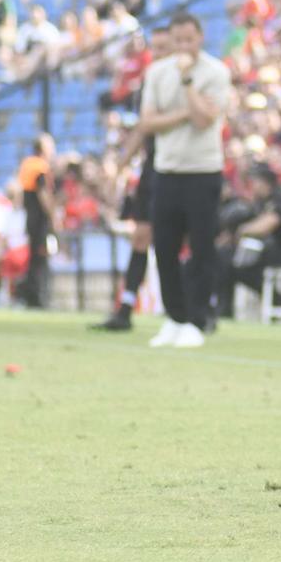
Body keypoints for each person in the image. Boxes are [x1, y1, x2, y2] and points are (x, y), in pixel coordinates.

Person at [137, 13, 234, 348]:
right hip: (167, 171)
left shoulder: (216, 72)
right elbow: (147, 122)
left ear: (200, 38)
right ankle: (174, 318)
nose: (182, 47)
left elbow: (207, 119)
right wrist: (182, 115)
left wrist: (188, 82)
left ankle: (196, 318)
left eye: (188, 40)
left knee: (202, 247)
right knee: (164, 247)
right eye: (177, 40)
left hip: (203, 170)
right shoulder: (156, 72)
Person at [94, 24, 174, 332]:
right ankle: (125, 308)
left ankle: (188, 310)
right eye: (159, 48)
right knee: (141, 237)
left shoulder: (187, 84)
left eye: (167, 48)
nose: (161, 54)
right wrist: (121, 165)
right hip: (154, 169)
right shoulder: (149, 85)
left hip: (182, 170)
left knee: (174, 242)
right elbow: (142, 129)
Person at [215, 165, 281, 319]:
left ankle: (276, 299)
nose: (253, 185)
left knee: (235, 264)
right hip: (270, 250)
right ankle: (225, 307)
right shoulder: (261, 202)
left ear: (265, 183)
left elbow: (267, 224)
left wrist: (241, 230)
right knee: (228, 260)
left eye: (256, 181)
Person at [15, 135, 56, 309]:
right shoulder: (40, 166)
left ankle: (30, 294)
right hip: (40, 219)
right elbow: (43, 193)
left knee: (34, 257)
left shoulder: (27, 164)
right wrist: (53, 215)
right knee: (40, 258)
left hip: (30, 216)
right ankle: (37, 296)